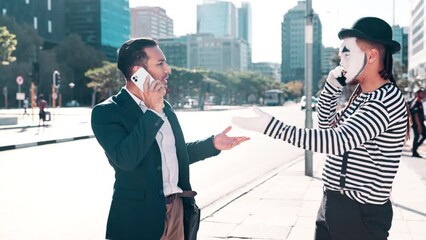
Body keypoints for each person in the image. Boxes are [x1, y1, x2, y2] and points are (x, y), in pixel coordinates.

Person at [232, 17, 409, 240]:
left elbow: (336, 141)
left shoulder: (386, 100)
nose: (341, 62)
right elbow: (326, 128)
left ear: (372, 55)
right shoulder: (363, 96)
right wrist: (331, 89)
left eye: (347, 54)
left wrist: (271, 126)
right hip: (333, 203)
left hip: (359, 212)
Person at [91, 37, 249, 240]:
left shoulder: (165, 106)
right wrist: (153, 112)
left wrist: (212, 144)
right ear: (137, 71)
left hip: (176, 211)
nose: (168, 69)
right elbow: (126, 160)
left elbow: (172, 154)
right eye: (160, 63)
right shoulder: (107, 112)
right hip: (137, 219)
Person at [409, 88, 426, 158]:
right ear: (418, 94)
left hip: (420, 123)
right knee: (417, 136)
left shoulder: (420, 102)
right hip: (416, 123)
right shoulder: (415, 103)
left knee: (424, 135)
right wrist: (419, 126)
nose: (424, 94)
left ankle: (414, 148)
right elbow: (415, 116)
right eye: (422, 93)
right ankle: (414, 151)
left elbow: (420, 114)